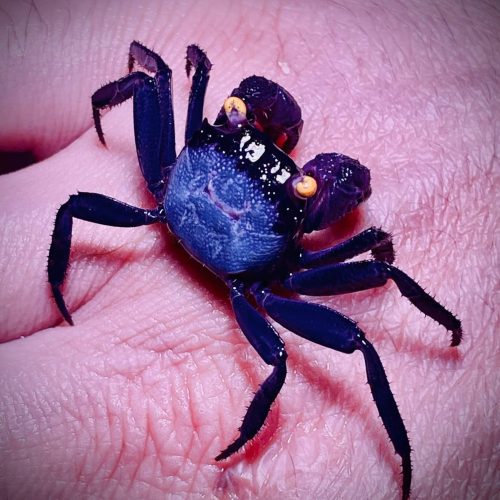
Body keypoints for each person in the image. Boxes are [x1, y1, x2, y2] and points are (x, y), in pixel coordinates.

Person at [0, 1, 497, 498]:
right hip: (246, 279)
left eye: (302, 188)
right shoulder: (267, 197)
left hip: (231, 256)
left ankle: (396, 450)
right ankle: (401, 447)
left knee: (91, 184)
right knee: (289, 356)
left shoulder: (202, 156)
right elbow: (149, 79)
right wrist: (363, 236)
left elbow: (147, 81)